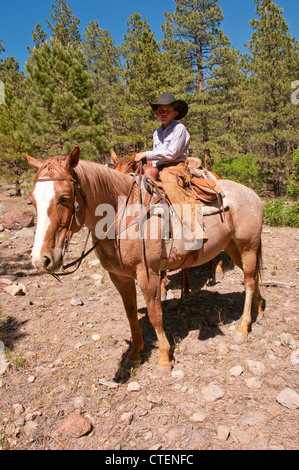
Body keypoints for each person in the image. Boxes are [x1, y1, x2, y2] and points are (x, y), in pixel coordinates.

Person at [135, 92, 206, 251]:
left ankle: (194, 230)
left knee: (171, 186)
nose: (164, 114)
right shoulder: (156, 133)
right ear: (156, 113)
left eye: (168, 110)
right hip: (158, 168)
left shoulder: (179, 128)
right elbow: (155, 156)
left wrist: (146, 154)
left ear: (175, 113)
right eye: (161, 111)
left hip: (175, 166)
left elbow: (172, 153)